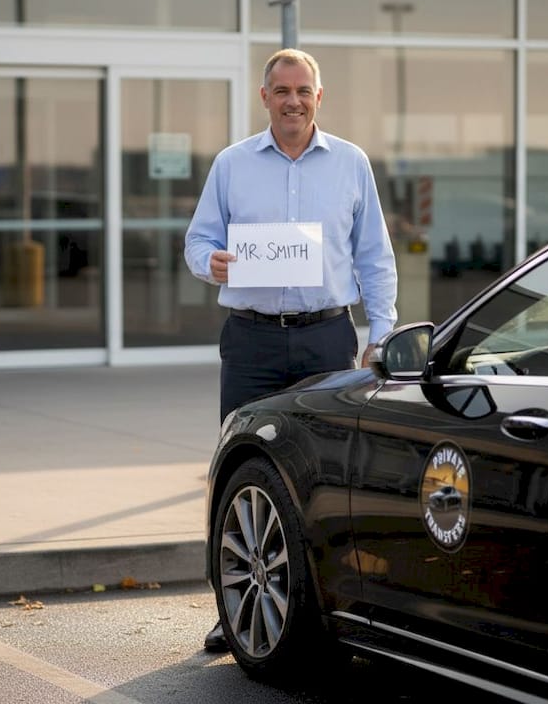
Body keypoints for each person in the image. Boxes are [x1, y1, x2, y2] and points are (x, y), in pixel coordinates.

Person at [183, 48, 398, 653]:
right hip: (250, 339)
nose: (293, 101)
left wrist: (380, 334)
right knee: (242, 475)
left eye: (304, 90)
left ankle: (332, 603)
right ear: (265, 98)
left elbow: (375, 258)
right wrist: (212, 262)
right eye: (282, 90)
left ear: (319, 97)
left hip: (328, 338)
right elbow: (197, 242)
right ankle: (235, 610)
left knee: (325, 477)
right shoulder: (231, 165)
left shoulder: (351, 164)